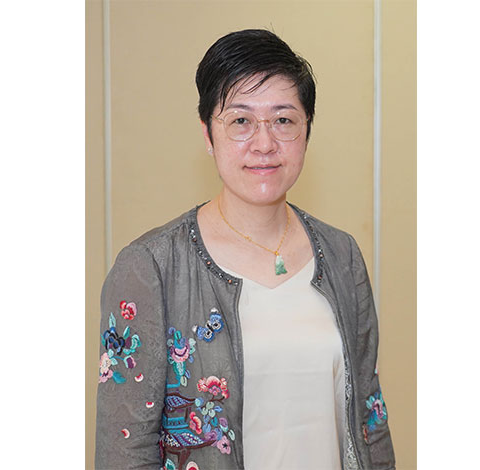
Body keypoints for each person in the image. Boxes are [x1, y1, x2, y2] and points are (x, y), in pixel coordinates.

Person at [96, 29, 396, 470]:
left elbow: (371, 420)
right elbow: (124, 452)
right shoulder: (152, 268)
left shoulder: (341, 255)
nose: (264, 143)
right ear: (207, 134)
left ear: (307, 131)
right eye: (240, 121)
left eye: (283, 120)